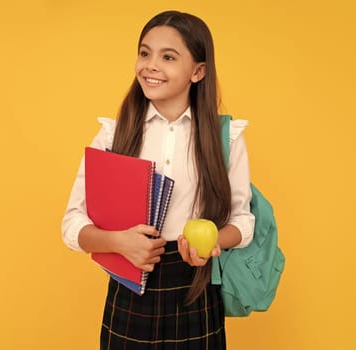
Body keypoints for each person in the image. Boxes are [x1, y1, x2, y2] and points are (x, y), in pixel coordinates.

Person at [61, 10, 256, 349]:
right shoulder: (113, 136)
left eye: (168, 57)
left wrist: (213, 243)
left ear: (198, 71)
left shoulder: (225, 138)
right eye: (144, 52)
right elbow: (72, 225)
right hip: (131, 288)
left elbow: (243, 222)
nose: (150, 65)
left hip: (195, 288)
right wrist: (119, 243)